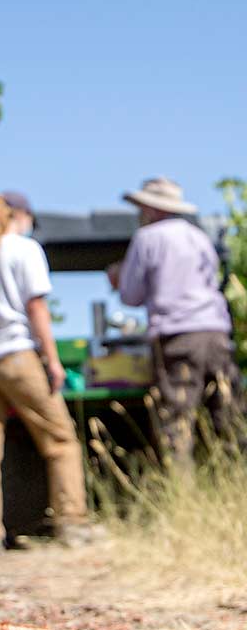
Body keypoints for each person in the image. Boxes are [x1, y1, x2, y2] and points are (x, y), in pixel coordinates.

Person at [0, 191, 94, 557]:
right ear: (22, 216)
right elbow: (36, 308)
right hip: (18, 358)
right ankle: (72, 524)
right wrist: (51, 360)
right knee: (61, 441)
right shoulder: (25, 249)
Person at [106, 176, 239, 464]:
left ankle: (182, 494)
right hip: (216, 332)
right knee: (229, 417)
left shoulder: (147, 238)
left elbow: (131, 294)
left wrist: (118, 276)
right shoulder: (199, 236)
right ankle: (236, 484)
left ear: (152, 209)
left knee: (176, 423)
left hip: (177, 336)